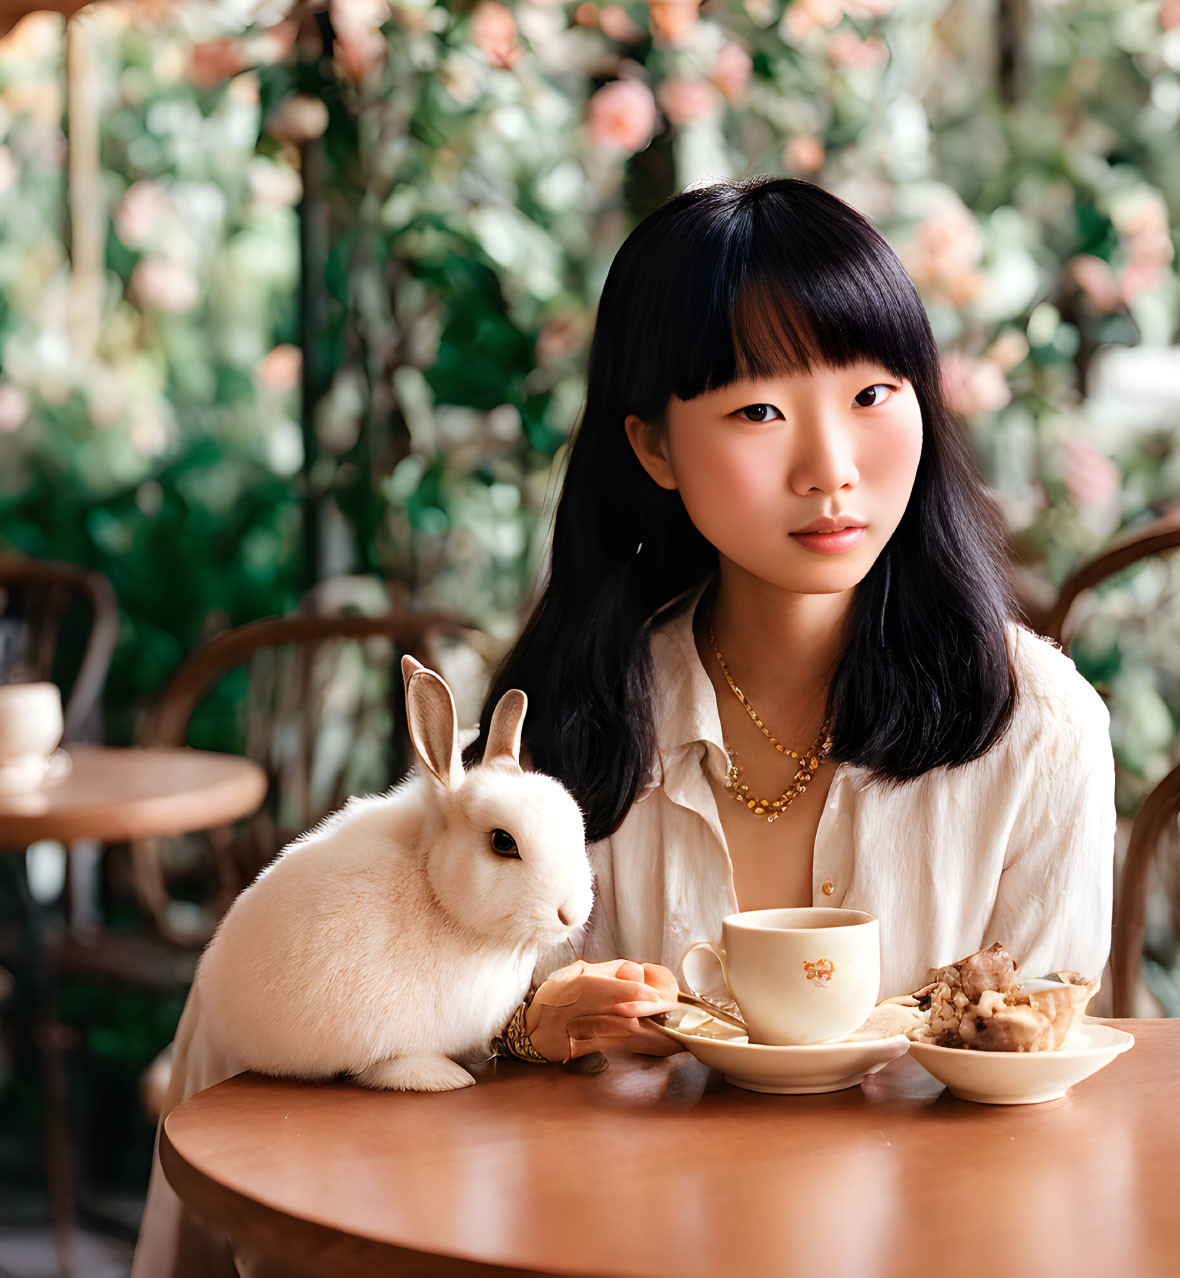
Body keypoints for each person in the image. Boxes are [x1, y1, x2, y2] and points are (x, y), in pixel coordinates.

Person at [132, 175, 1113, 1276]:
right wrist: (522, 1025)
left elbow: (1034, 1061)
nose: (830, 467)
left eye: (874, 396)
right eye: (758, 411)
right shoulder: (567, 717)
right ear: (652, 448)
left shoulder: (1034, 730)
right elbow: (365, 1027)